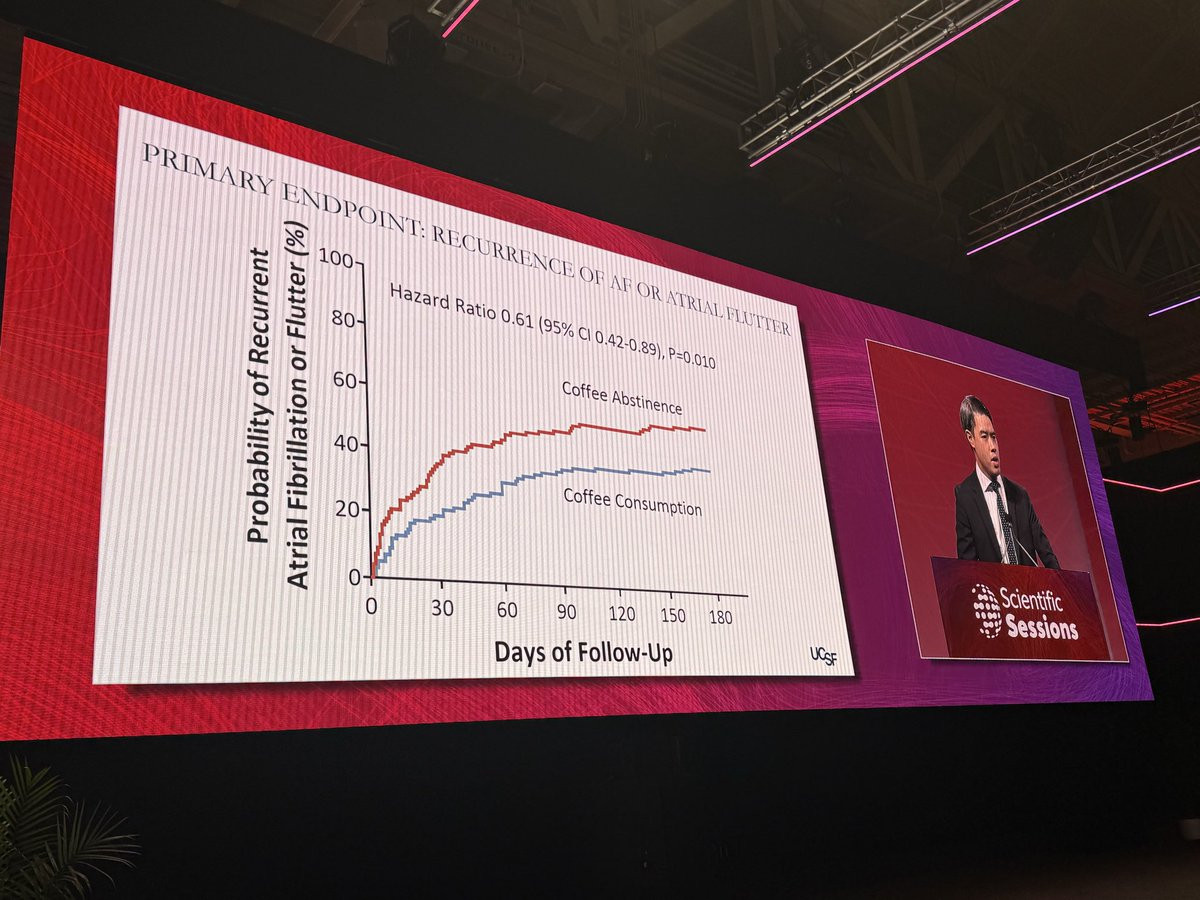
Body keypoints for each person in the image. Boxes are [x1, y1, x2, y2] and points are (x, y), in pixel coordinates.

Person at [954, 395, 1060, 569]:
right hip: (994, 586)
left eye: (994, 436)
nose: (993, 446)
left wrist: (1062, 583)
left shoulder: (1020, 495)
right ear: (970, 438)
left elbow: (1046, 553)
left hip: (1029, 586)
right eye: (984, 437)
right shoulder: (965, 496)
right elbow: (968, 567)